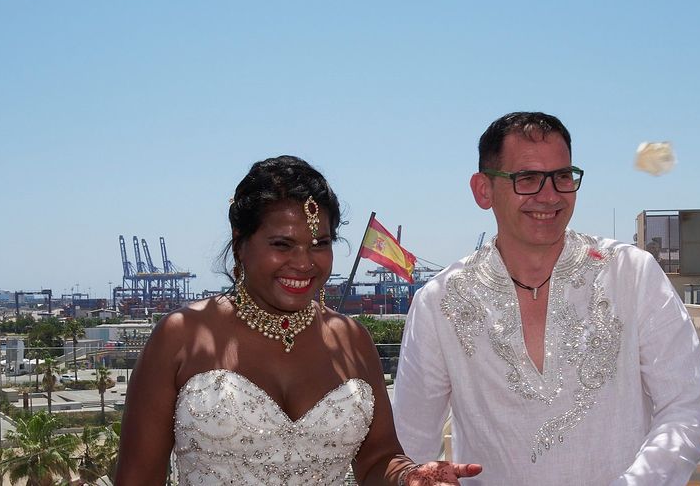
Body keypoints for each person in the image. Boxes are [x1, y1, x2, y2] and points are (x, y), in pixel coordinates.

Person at [116, 156, 481, 485]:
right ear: (240, 242)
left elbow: (377, 461)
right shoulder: (182, 336)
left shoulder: (352, 340)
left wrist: (409, 477)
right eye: (282, 245)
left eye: (320, 244)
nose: (305, 262)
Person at [393, 112, 700, 485]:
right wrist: (413, 477)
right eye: (527, 178)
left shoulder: (632, 274)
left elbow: (687, 407)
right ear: (483, 190)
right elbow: (410, 444)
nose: (549, 196)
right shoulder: (440, 303)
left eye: (562, 177)